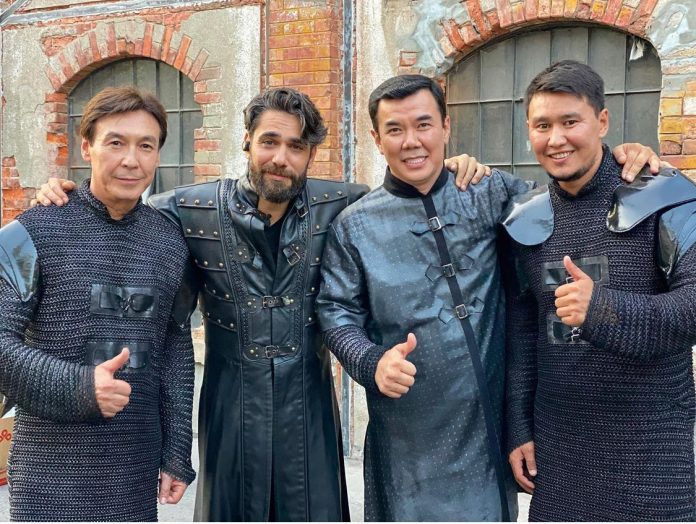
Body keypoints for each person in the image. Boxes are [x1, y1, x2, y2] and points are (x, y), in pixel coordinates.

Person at [34, 85, 656, 522]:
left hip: (310, 403)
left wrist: (625, 159)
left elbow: (461, 189)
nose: (281, 157)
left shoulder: (348, 206)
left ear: (313, 153)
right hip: (227, 404)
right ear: (246, 142)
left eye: (296, 145)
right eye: (269, 141)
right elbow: (124, 215)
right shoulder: (187, 210)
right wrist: (63, 192)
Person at [316, 74, 663, 521]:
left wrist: (625, 158)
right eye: (395, 130)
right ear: (376, 139)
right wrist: (370, 361)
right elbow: (336, 311)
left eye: (424, 125)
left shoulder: (491, 192)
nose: (412, 142)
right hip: (407, 432)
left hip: (487, 430)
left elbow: (570, 191)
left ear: (446, 126)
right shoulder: (354, 226)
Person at [501, 60, 696, 521]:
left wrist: (603, 310)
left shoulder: (665, 195)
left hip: (650, 451)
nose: (556, 139)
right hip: (560, 449)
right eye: (542, 125)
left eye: (571, 121)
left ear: (602, 121)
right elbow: (524, 333)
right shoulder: (524, 217)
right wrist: (518, 427)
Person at [0, 87, 196, 521]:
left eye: (146, 146)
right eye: (116, 142)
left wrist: (176, 451)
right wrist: (79, 387)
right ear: (85, 146)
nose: (131, 160)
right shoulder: (30, 232)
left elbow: (174, 349)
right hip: (50, 471)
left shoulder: (170, 244)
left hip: (133, 467)